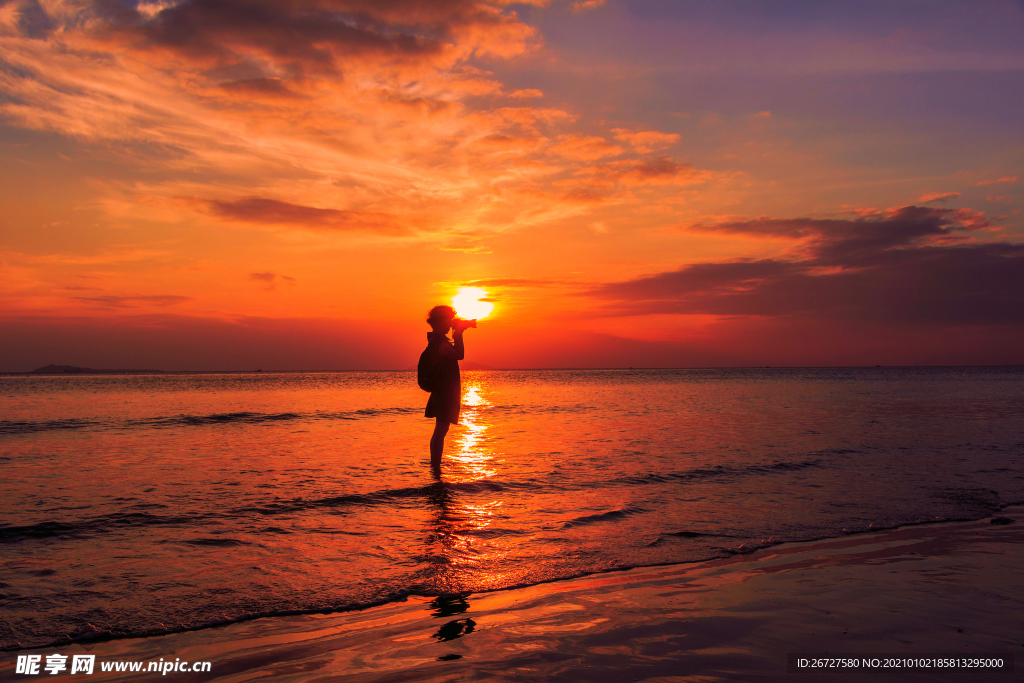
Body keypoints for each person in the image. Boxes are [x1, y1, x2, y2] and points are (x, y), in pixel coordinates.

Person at [423, 305, 471, 471]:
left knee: (441, 429)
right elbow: (459, 355)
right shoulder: (439, 343)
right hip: (444, 392)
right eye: (449, 319)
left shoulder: (437, 340)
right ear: (440, 321)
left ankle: (435, 466)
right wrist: (459, 333)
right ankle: (435, 466)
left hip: (443, 391)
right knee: (441, 430)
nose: (451, 323)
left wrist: (458, 332)